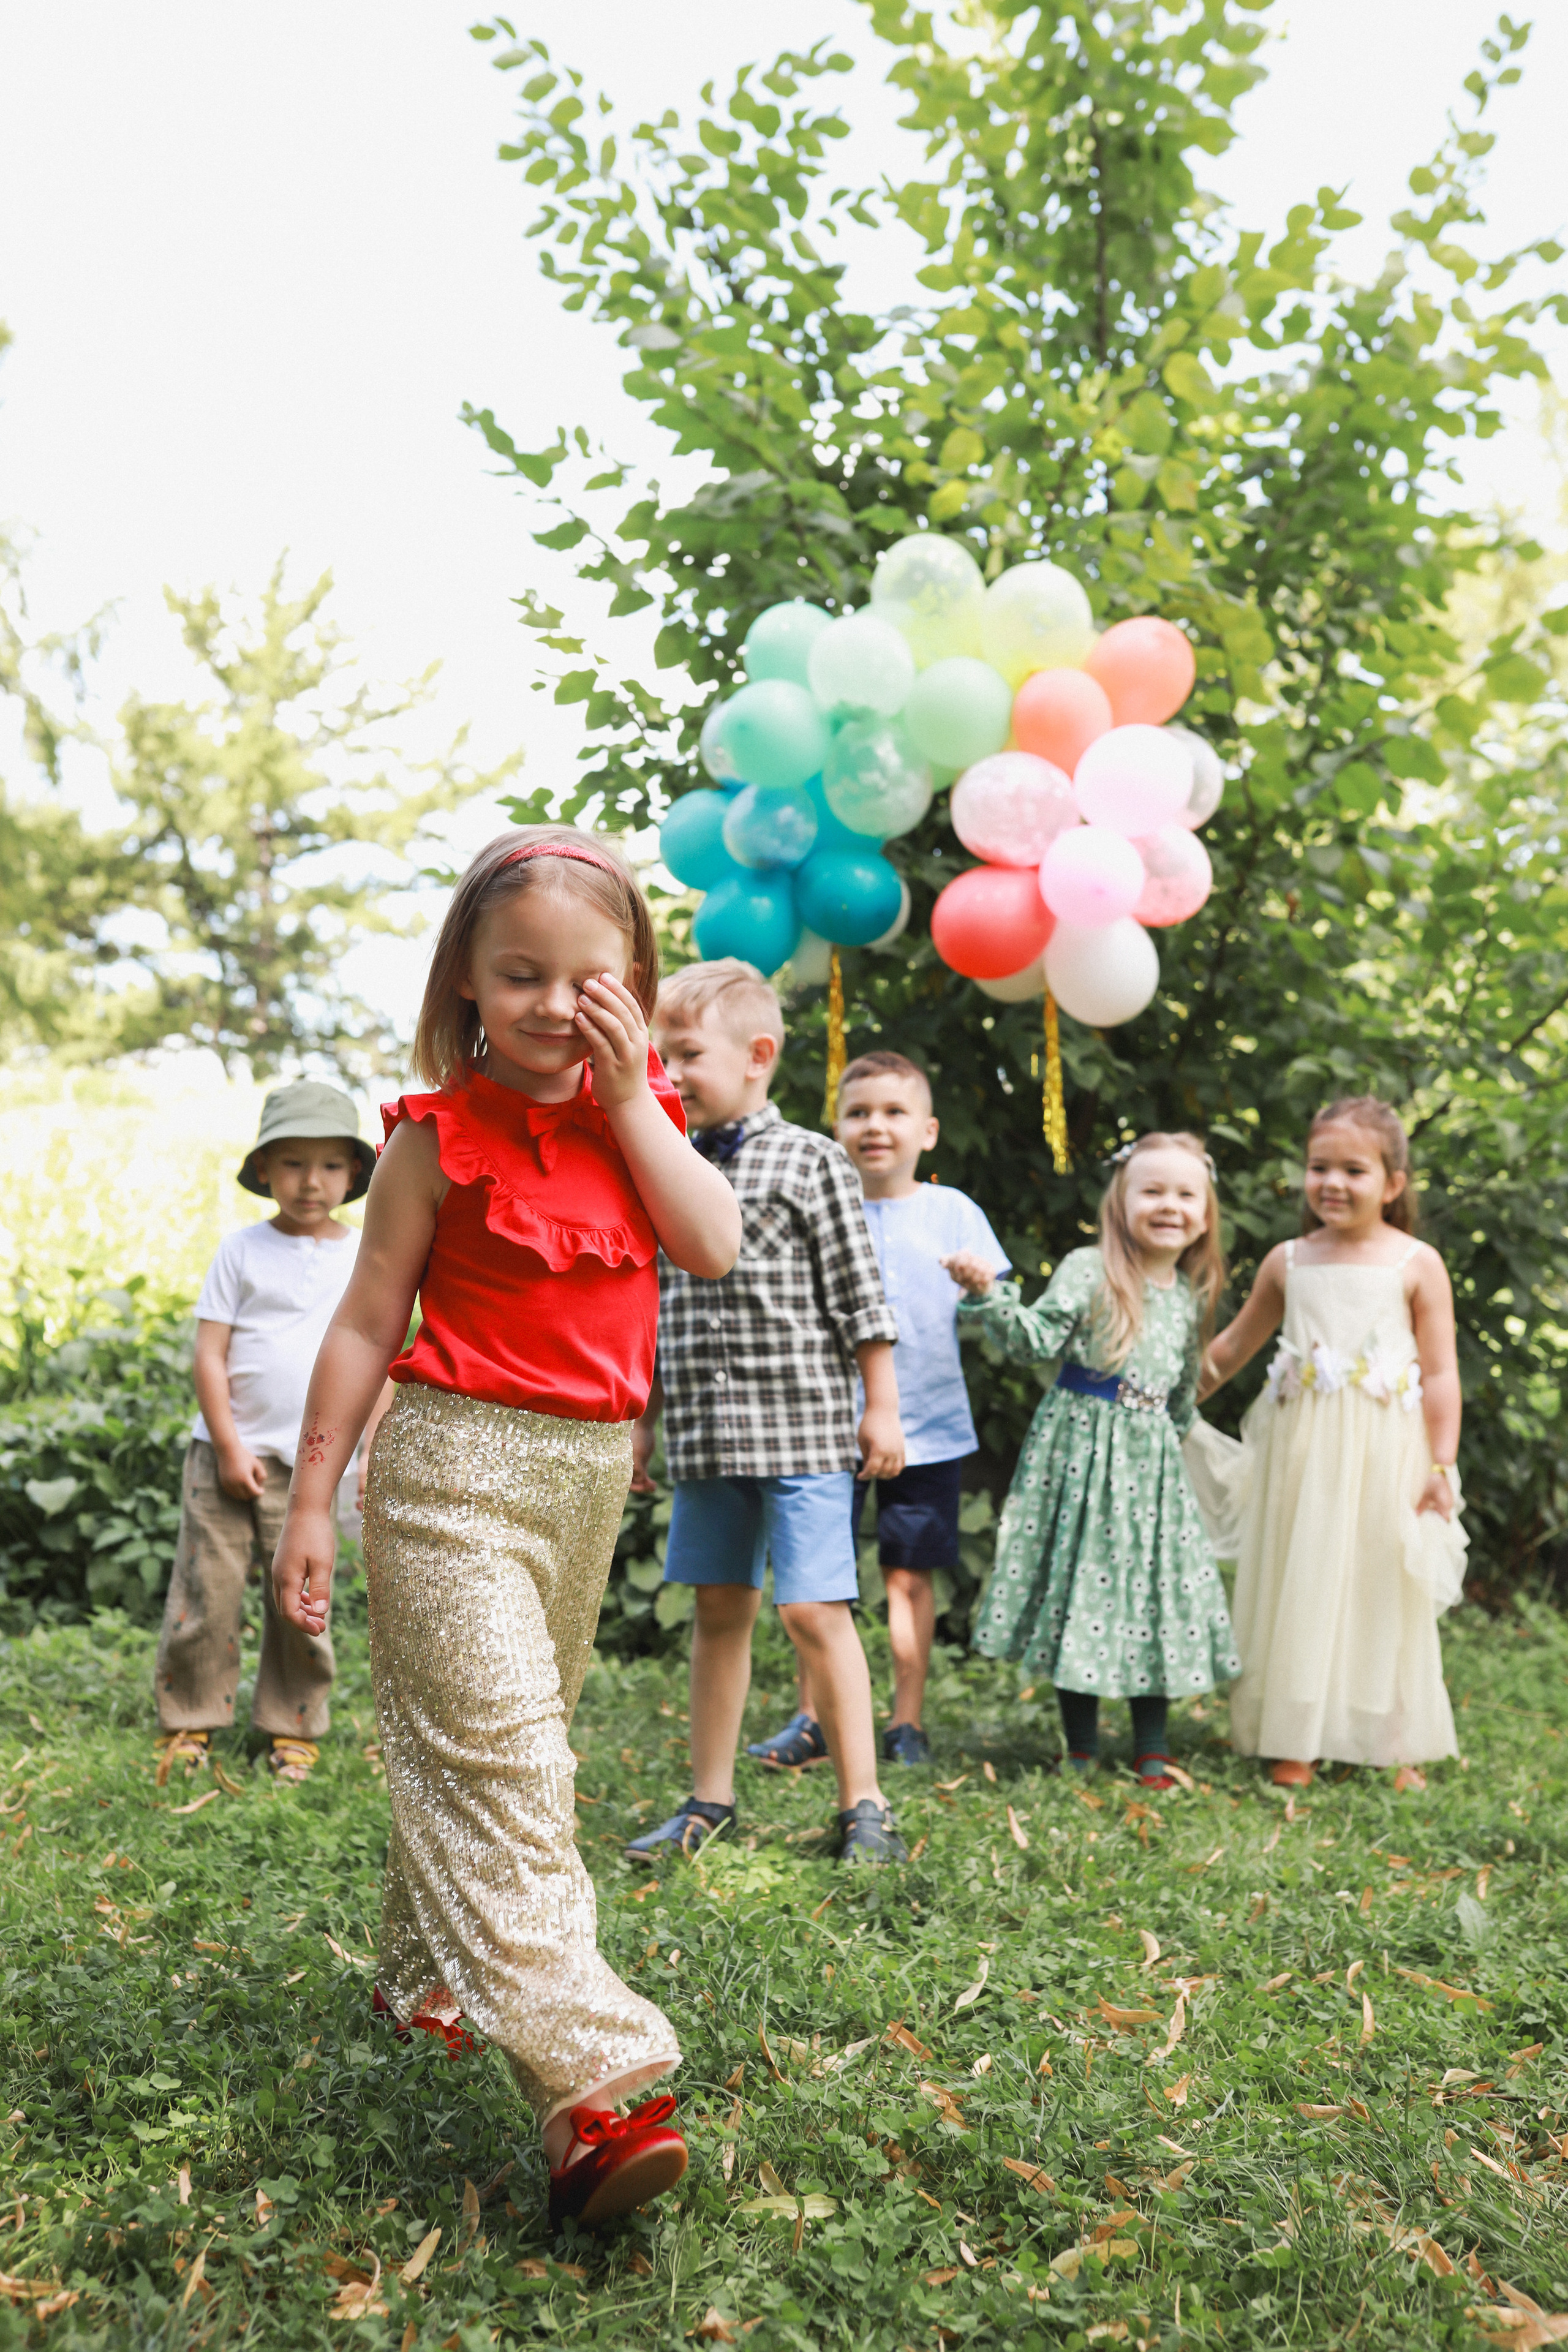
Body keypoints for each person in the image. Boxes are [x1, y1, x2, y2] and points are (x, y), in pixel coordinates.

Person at [270, 827, 741, 2230]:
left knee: (478, 1732)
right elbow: (366, 1319)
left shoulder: (644, 1119)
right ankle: (592, 2089)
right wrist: (311, 1493)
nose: (548, 1003)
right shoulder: (429, 1137)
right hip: (448, 1465)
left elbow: (709, 1241)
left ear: (634, 988)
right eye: (517, 974)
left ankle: (426, 1977)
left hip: (585, 1477)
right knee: (513, 1758)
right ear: (465, 983)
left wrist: (629, 1098)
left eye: (584, 979)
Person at [626, 958, 908, 1866]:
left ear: (758, 1056)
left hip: (805, 1431)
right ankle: (710, 1798)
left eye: (686, 1054)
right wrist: (642, 1418)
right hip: (706, 1438)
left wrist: (884, 1408)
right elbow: (652, 1307)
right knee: (719, 1610)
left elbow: (862, 1294)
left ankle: (863, 1802)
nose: (666, 1073)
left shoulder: (812, 1159)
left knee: (815, 1612)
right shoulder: (660, 1161)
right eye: (657, 1056)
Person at [944, 1131, 1239, 1788]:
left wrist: (1179, 1459)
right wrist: (987, 1293)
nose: (1170, 1205)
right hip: (1080, 1458)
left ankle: (1151, 1747)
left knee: (1152, 1595)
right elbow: (1032, 1340)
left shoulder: (1188, 1296)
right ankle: (1079, 1746)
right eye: (1152, 1190)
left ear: (1205, 1211)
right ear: (1120, 1202)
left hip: (1151, 1472)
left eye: (1186, 1193)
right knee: (1082, 1589)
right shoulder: (1089, 1269)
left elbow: (1184, 1390)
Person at [746, 1049, 1008, 1769]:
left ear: (926, 1131)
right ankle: (813, 1718)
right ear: (836, 1129)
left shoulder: (952, 1212)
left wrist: (982, 1284)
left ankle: (906, 1722)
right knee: (818, 1581)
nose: (875, 1126)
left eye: (894, 1112)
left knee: (907, 1577)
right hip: (826, 1424)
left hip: (929, 1428)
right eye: (858, 1112)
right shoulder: (819, 1208)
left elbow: (996, 1306)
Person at [1200, 1095, 1466, 1787]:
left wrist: (1442, 1463)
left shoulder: (1415, 1263)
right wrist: (1166, 1397)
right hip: (1304, 1456)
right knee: (1304, 1577)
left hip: (1387, 1455)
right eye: (1320, 1167)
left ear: (1393, 1184)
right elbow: (1230, 1349)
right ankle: (1295, 1736)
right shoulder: (1288, 1261)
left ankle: (1392, 1739)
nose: (1333, 1184)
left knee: (1382, 1585)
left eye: (1354, 1170)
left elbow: (1438, 1373)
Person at [153, 1080, 389, 1786]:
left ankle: (293, 1724)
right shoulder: (242, 1251)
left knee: (302, 1599)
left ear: (354, 1174)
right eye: (291, 1163)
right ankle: (190, 1717)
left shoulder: (366, 1255)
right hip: (228, 1456)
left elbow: (382, 1354)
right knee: (207, 1591)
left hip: (315, 1466)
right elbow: (210, 1353)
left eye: (328, 1165)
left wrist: (369, 1447)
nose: (310, 1182)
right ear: (264, 1171)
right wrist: (227, 1444)